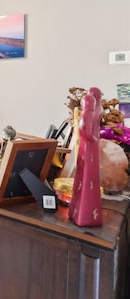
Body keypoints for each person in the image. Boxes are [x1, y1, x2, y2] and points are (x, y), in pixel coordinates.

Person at [68, 87, 103, 226]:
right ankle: (85, 214)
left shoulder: (94, 109)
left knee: (84, 176)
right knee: (87, 174)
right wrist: (94, 138)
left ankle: (80, 213)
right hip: (89, 147)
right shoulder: (89, 112)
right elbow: (84, 130)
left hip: (87, 147)